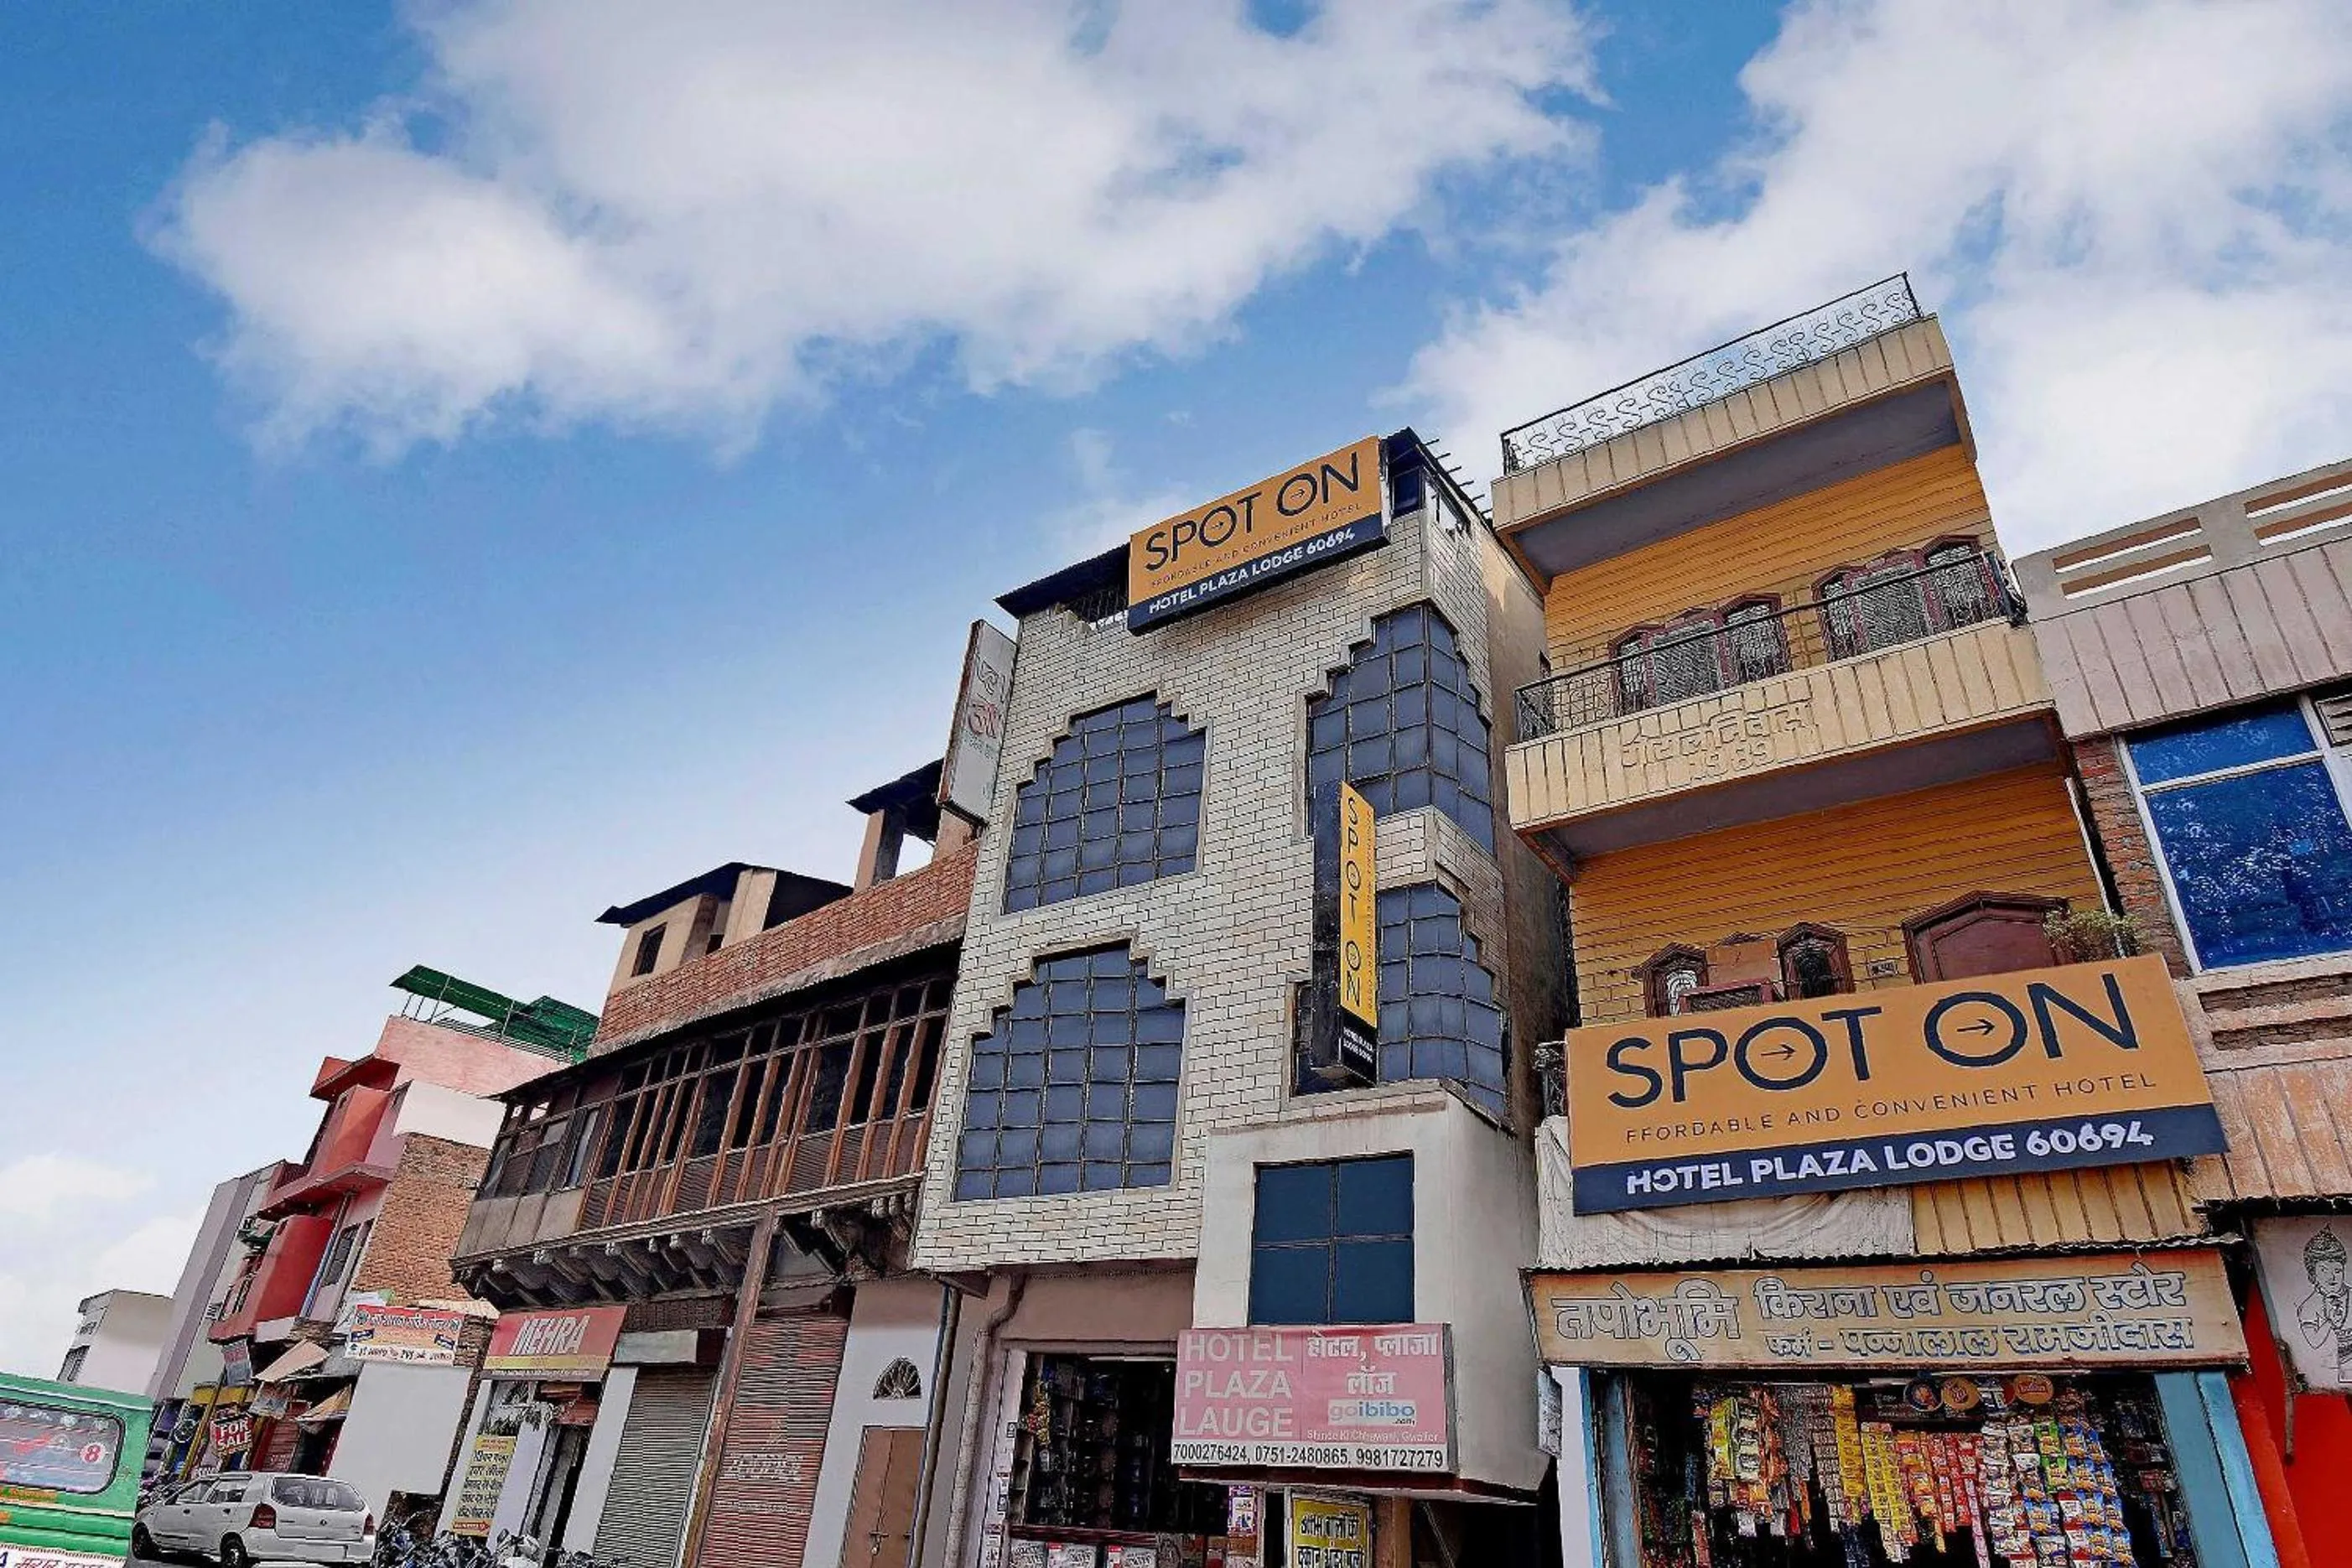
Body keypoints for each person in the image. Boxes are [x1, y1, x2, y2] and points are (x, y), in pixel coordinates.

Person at [2295, 1223, 2352, 1386]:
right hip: (2333, 1371)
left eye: (2337, 1270)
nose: (2332, 1277)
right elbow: (2314, 1341)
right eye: (2324, 1271)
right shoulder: (2308, 1307)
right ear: (2313, 1274)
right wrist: (2329, 1322)